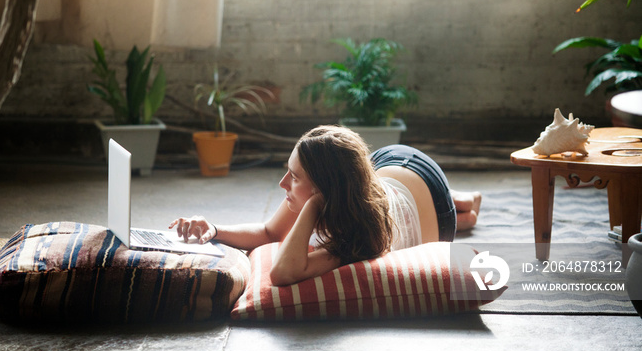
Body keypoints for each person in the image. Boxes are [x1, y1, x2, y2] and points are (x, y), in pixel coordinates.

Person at [170, 125, 480, 286]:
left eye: (293, 177)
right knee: (362, 177)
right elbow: (267, 232)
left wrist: (312, 207)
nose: (282, 184)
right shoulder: (336, 188)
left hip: (430, 190)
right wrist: (214, 229)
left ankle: (463, 201)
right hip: (383, 167)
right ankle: (466, 205)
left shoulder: (357, 236)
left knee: (456, 208)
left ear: (322, 189)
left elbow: (282, 274)